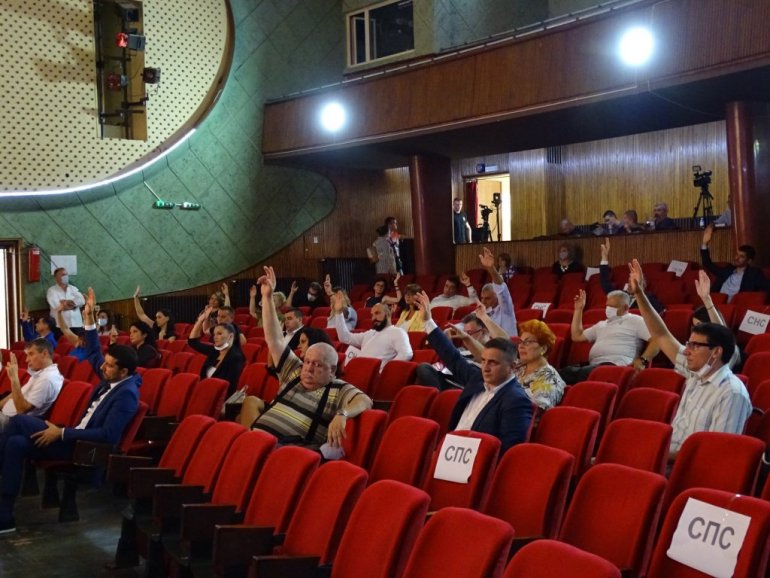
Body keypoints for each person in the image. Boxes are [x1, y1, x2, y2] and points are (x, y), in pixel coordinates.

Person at [0, 287, 140, 534]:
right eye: (105, 364)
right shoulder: (112, 378)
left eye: (109, 366)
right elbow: (94, 352)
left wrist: (62, 433)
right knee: (15, 444)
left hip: (81, 446)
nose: (103, 368)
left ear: (124, 371)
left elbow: (108, 435)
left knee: (19, 421)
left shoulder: (127, 394)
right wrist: (88, 317)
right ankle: (5, 516)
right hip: (70, 435)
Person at [239, 266, 372, 456]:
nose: (308, 369)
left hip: (284, 453)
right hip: (255, 443)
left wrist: (342, 414)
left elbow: (365, 400)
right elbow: (275, 339)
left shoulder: (337, 388)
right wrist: (267, 298)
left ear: (332, 370)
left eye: (317, 365)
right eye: (308, 362)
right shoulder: (295, 370)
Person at [627, 259, 751, 459]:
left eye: (695, 346)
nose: (686, 351)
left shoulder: (732, 393)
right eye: (688, 344)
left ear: (716, 352)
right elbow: (661, 334)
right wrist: (640, 294)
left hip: (686, 467)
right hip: (669, 459)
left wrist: (657, 456)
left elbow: (715, 453)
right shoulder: (696, 374)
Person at [415, 291, 532, 455]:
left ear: (512, 367)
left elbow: (508, 452)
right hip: (450, 452)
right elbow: (453, 358)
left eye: (493, 363)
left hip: (476, 463)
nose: (485, 367)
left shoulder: (516, 400)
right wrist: (428, 321)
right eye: (483, 361)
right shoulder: (478, 378)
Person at [559, 289, 658, 384]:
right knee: (560, 373)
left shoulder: (636, 320)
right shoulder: (601, 324)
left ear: (625, 307)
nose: (608, 309)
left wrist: (643, 360)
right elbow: (576, 336)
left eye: (613, 307)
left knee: (576, 374)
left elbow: (657, 340)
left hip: (616, 367)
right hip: (593, 366)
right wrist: (578, 309)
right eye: (607, 306)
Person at [415, 312, 490, 391]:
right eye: (464, 333)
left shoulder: (492, 354)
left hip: (467, 385)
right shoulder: (462, 351)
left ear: (484, 332)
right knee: (424, 368)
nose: (464, 337)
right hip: (447, 379)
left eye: (469, 333)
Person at [332, 297, 412, 371]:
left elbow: (406, 354)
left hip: (374, 376)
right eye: (372, 315)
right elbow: (345, 337)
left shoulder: (397, 332)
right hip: (358, 371)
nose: (373, 318)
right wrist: (339, 313)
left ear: (388, 314)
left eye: (377, 313)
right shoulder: (369, 333)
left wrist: (384, 370)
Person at [0, 342, 63, 433]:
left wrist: (14, 379)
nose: (26, 360)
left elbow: (21, 410)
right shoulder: (40, 373)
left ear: (45, 354)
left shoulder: (47, 379)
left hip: (12, 422)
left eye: (31, 354)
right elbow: (14, 395)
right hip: (4, 414)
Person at [700, 224, 769, 300]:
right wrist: (704, 243)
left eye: (741, 256)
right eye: (737, 255)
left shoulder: (754, 274)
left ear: (749, 261)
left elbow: (767, 288)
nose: (737, 258)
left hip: (737, 304)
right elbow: (707, 264)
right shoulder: (728, 269)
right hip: (717, 302)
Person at [187, 307, 246, 397]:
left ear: (230, 336)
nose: (215, 337)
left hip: (219, 397)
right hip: (205, 393)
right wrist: (200, 320)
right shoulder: (214, 351)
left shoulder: (236, 357)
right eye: (214, 334)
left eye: (219, 334)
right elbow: (192, 342)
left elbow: (229, 387)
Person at [598, 237, 665, 313]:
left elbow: (660, 312)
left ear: (642, 284)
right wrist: (604, 258)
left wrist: (639, 294)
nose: (629, 284)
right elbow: (606, 284)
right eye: (629, 281)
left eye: (634, 281)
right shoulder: (622, 296)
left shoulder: (648, 298)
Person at [514, 320, 565, 411]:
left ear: (543, 349)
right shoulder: (518, 366)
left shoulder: (550, 379)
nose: (521, 346)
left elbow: (535, 412)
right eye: (520, 342)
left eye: (528, 342)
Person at [474, 246, 518, 337]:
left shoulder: (506, 310)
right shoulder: (480, 312)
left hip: (507, 346)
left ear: (497, 297)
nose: (483, 301)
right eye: (482, 298)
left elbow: (501, 290)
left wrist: (491, 269)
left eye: (487, 298)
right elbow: (462, 325)